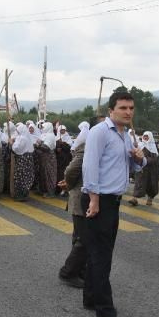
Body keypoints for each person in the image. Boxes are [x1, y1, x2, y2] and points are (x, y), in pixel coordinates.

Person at [81, 91, 145, 317]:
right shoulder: (100, 132)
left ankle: (90, 297)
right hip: (99, 199)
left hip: (113, 200)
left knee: (98, 252)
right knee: (102, 257)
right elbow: (90, 166)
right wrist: (94, 199)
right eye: (123, 108)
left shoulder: (125, 135)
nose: (128, 112)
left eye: (131, 108)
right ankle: (106, 311)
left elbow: (133, 163)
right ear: (111, 110)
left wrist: (140, 159)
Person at [57, 120, 90, 288]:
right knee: (84, 237)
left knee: (80, 236)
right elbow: (71, 170)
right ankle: (68, 272)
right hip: (80, 197)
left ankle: (79, 269)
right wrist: (69, 184)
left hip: (83, 196)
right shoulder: (85, 149)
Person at [128, 131, 159, 206]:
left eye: (147, 136)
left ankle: (150, 198)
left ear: (150, 137)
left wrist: (145, 160)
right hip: (141, 168)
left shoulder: (153, 147)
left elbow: (154, 159)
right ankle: (134, 199)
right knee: (139, 182)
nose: (145, 138)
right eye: (144, 136)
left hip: (152, 170)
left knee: (151, 184)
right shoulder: (139, 144)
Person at [11, 123, 35, 201]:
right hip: (28, 159)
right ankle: (25, 194)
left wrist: (11, 143)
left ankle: (20, 196)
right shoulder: (27, 137)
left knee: (20, 176)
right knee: (27, 176)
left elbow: (17, 149)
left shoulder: (22, 138)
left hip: (22, 159)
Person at [36, 122, 57, 197]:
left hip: (48, 159)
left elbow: (46, 147)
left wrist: (38, 145)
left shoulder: (50, 136)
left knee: (49, 174)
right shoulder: (43, 135)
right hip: (43, 158)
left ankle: (50, 192)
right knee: (43, 174)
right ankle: (43, 190)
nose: (42, 128)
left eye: (43, 127)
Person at [56, 125, 73, 196]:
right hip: (58, 159)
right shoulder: (56, 137)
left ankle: (65, 189)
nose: (62, 131)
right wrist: (57, 149)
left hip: (65, 159)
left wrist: (62, 144)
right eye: (61, 130)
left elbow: (69, 147)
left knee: (65, 173)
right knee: (59, 174)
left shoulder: (67, 137)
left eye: (63, 130)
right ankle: (59, 188)